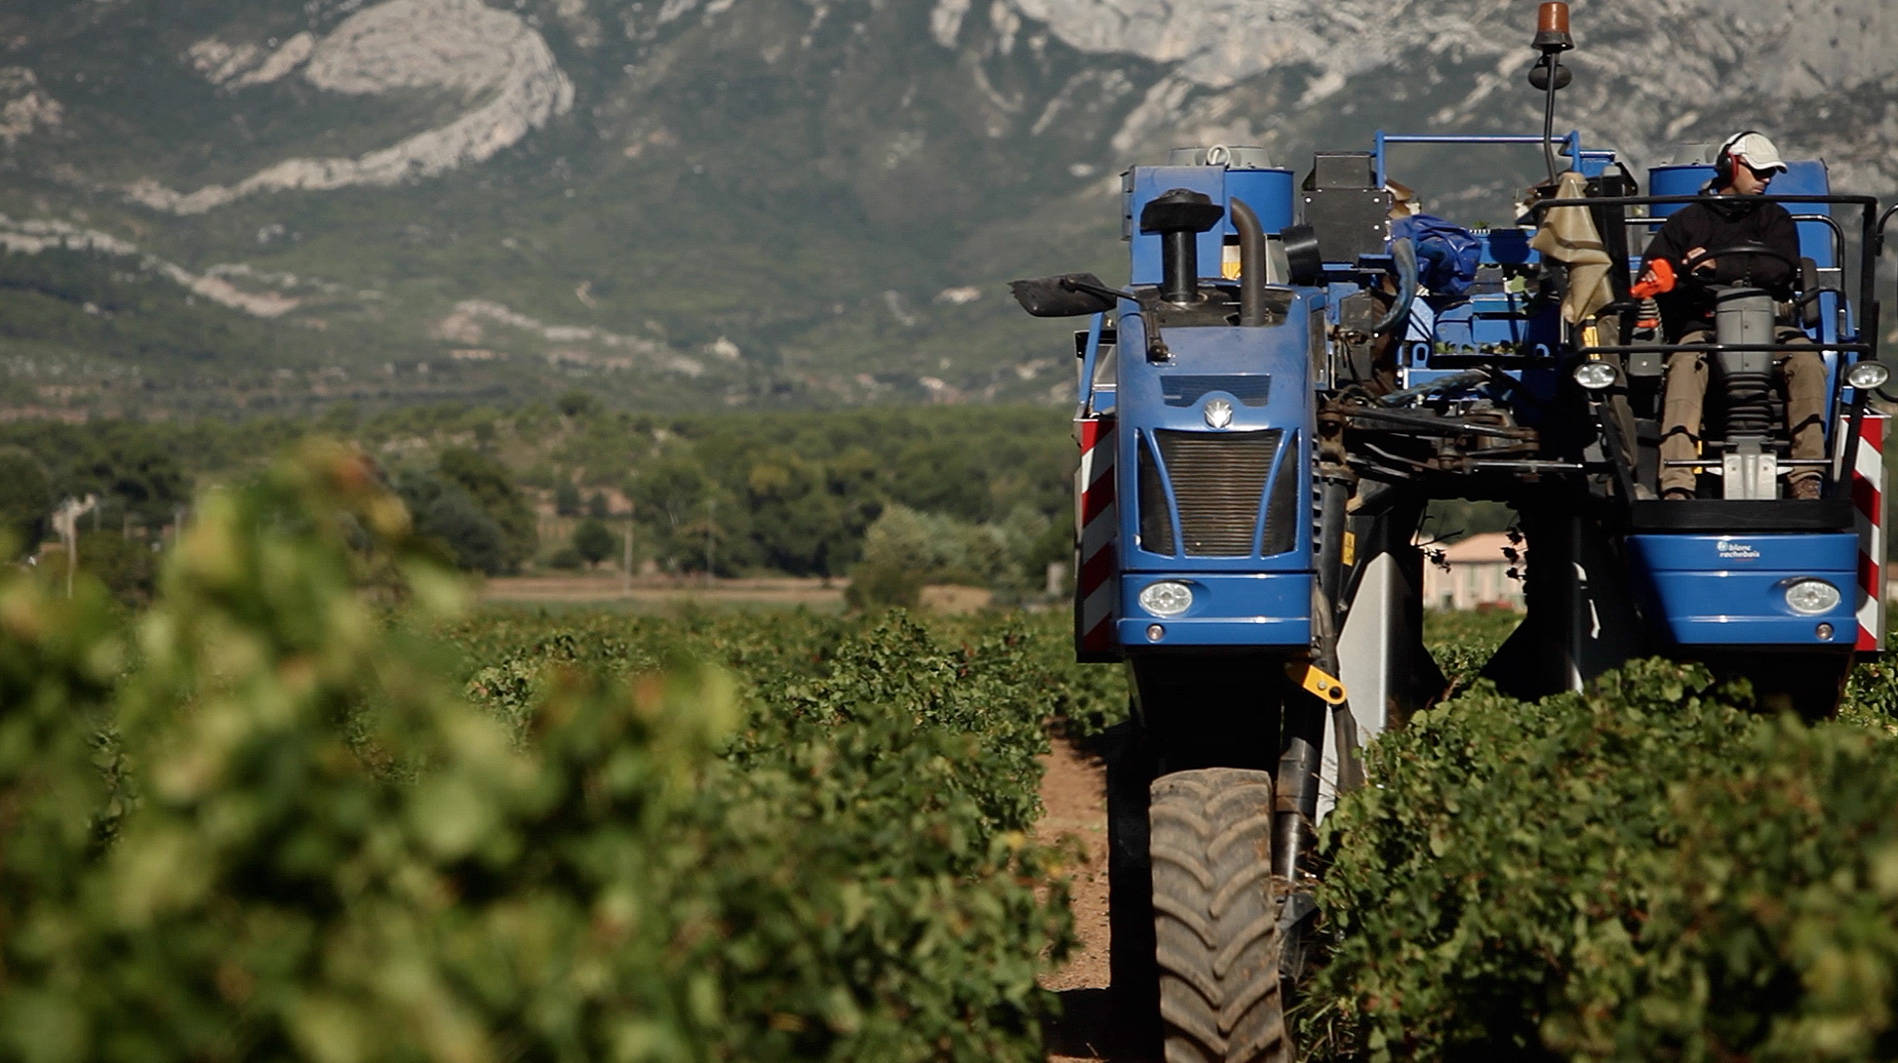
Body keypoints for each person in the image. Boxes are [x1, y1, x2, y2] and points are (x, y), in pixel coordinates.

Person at [1643, 130, 1826, 500]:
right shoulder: (1684, 222)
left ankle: (1806, 476)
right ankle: (1677, 483)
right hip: (1705, 327)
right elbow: (1654, 275)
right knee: (1683, 366)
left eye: (1770, 174)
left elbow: (1781, 269)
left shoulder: (1777, 220)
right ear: (1731, 165)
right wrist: (1675, 276)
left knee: (1808, 361)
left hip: (1771, 327)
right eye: (1759, 172)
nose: (1766, 180)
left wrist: (1715, 266)